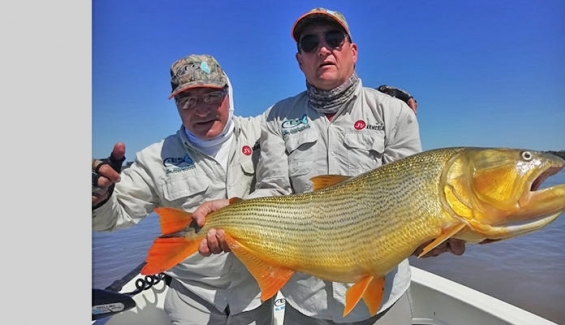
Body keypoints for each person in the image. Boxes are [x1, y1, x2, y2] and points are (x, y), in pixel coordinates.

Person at [192, 8, 466, 325]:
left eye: (334, 39)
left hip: (382, 301)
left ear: (353, 52)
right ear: (300, 60)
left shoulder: (394, 113)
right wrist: (233, 212)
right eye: (310, 43)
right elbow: (273, 189)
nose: (323, 49)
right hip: (305, 304)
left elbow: (408, 200)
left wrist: (433, 236)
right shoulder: (277, 118)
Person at [91, 54, 272, 325]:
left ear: (228, 94)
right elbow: (116, 216)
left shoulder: (265, 133)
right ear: (176, 105)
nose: (201, 110)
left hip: (256, 296)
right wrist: (98, 200)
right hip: (192, 299)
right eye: (187, 100)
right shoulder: (155, 158)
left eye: (211, 96)